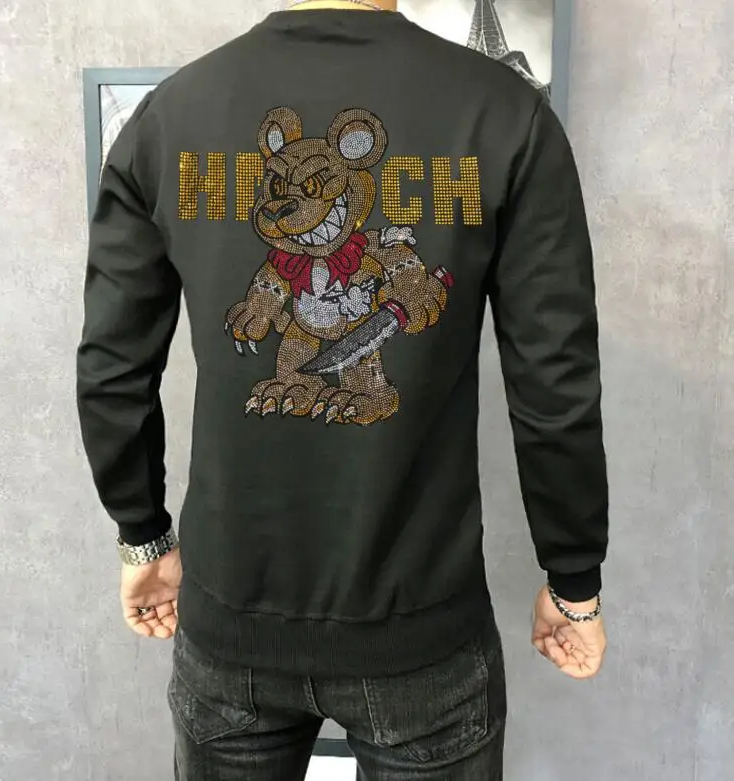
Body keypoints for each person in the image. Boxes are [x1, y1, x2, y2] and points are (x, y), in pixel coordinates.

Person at [75, 0, 609, 778]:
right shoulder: (503, 114)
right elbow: (555, 382)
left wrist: (143, 535)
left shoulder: (169, 116)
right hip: (420, 631)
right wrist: (573, 583)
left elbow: (110, 367)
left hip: (233, 619)